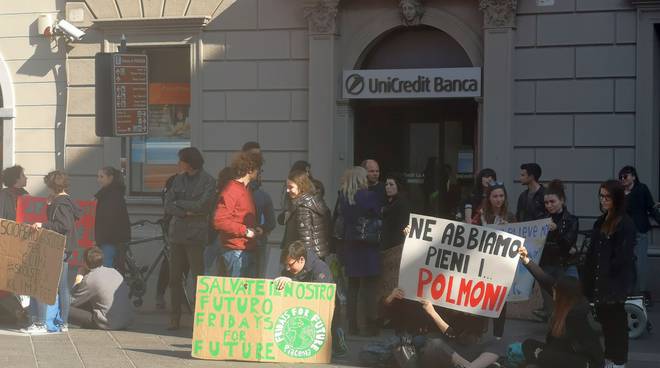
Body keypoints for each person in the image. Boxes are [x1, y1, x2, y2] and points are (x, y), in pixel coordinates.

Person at [517, 245, 604, 368]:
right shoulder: (567, 301)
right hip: (565, 353)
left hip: (587, 362)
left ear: (564, 296)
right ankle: (536, 362)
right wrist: (526, 260)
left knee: (545, 356)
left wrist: (543, 354)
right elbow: (544, 279)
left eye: (555, 291)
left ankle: (537, 362)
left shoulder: (577, 316)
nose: (553, 292)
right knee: (528, 344)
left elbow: (574, 347)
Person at [583, 180, 636, 368]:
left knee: (617, 326)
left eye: (607, 197)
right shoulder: (601, 220)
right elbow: (593, 253)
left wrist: (610, 280)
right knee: (606, 325)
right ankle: (610, 359)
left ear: (617, 199)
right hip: (600, 282)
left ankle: (618, 361)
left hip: (614, 284)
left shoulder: (625, 223)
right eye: (601, 196)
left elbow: (623, 258)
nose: (603, 200)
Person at [163, 147, 216, 330]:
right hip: (177, 233)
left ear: (190, 162)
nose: (179, 164)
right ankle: (174, 317)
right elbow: (168, 204)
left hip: (196, 235)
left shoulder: (208, 180)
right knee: (174, 278)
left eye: (181, 160)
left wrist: (180, 204)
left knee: (198, 278)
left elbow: (203, 206)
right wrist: (186, 210)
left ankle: (200, 317)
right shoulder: (178, 179)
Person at [381, 287, 501, 368]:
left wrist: (433, 313)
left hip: (452, 347)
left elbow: (453, 334)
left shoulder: (450, 297)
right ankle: (469, 365)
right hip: (427, 348)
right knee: (435, 345)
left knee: (496, 343)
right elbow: (383, 315)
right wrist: (391, 297)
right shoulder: (408, 296)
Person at [24, 171, 82, 334]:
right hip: (65, 247)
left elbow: (63, 225)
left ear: (52, 186)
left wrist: (42, 224)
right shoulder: (66, 200)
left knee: (42, 283)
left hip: (57, 247)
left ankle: (41, 324)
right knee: (63, 287)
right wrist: (50, 205)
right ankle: (63, 323)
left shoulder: (61, 203)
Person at [274, 240, 348, 356]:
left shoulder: (320, 268)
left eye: (290, 264)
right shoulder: (288, 270)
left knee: (332, 335)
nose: (287, 269)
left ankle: (339, 340)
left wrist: (292, 282)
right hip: (300, 309)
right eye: (285, 265)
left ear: (301, 260)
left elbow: (320, 292)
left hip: (327, 309)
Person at [338, 166, 382, 336]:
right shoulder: (369, 196)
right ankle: (371, 324)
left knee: (353, 286)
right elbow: (378, 213)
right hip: (368, 244)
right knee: (370, 286)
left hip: (351, 243)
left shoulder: (344, 197)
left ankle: (353, 325)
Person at [470, 182, 514, 338]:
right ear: (489, 198)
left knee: (500, 301)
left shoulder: (510, 216)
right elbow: (471, 235)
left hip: (502, 266)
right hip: (483, 264)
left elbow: (518, 239)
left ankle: (498, 336)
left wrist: (508, 228)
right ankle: (477, 332)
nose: (498, 199)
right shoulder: (481, 215)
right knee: (480, 299)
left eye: (501, 196)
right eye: (495, 196)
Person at [535, 179, 579, 322]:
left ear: (562, 200)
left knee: (567, 302)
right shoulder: (542, 219)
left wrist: (556, 231)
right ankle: (554, 331)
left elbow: (567, 243)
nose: (549, 205)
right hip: (546, 265)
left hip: (564, 265)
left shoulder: (572, 220)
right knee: (550, 304)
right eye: (546, 203)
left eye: (552, 202)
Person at [214, 150, 264, 278]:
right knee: (237, 296)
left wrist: (255, 228)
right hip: (235, 252)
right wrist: (245, 231)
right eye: (259, 169)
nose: (259, 173)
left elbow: (242, 216)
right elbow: (220, 221)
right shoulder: (232, 189)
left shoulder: (245, 189)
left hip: (246, 249)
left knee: (247, 296)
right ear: (250, 170)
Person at [619, 166, 660, 305]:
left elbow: (651, 207)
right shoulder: (619, 192)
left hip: (639, 231)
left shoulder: (641, 189)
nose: (623, 179)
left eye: (626, 176)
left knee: (640, 263)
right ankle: (628, 292)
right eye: (621, 177)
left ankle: (642, 293)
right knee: (625, 263)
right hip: (623, 233)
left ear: (633, 176)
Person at [69, 247, 133, 330]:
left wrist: (79, 277)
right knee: (90, 299)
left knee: (65, 308)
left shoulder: (90, 279)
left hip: (110, 323)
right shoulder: (115, 271)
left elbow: (72, 301)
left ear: (84, 262)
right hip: (127, 320)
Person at [241, 142, 276, 277]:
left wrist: (263, 228)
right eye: (253, 154)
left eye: (259, 154)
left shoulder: (262, 196)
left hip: (258, 240)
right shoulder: (236, 186)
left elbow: (270, 222)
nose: (257, 157)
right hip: (238, 241)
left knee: (256, 275)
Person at [281, 170, 331, 258]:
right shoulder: (315, 200)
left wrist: (304, 261)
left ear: (301, 186)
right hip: (317, 254)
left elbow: (305, 239)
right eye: (287, 186)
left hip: (305, 258)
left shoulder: (303, 207)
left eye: (291, 187)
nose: (287, 190)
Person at [94, 167, 131, 269]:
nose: (99, 180)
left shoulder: (111, 195)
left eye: (102, 177)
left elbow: (108, 220)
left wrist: (99, 239)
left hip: (110, 239)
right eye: (98, 176)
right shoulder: (110, 193)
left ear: (110, 178)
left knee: (107, 268)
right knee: (111, 267)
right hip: (112, 238)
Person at [204, 167, 235, 276]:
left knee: (206, 269)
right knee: (228, 271)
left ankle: (204, 292)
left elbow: (212, 215)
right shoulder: (233, 195)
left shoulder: (217, 195)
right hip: (227, 236)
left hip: (214, 236)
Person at [381, 173, 410, 250]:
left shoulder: (401, 203)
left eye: (391, 184)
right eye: (386, 184)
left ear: (398, 186)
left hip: (395, 246)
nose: (388, 187)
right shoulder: (389, 202)